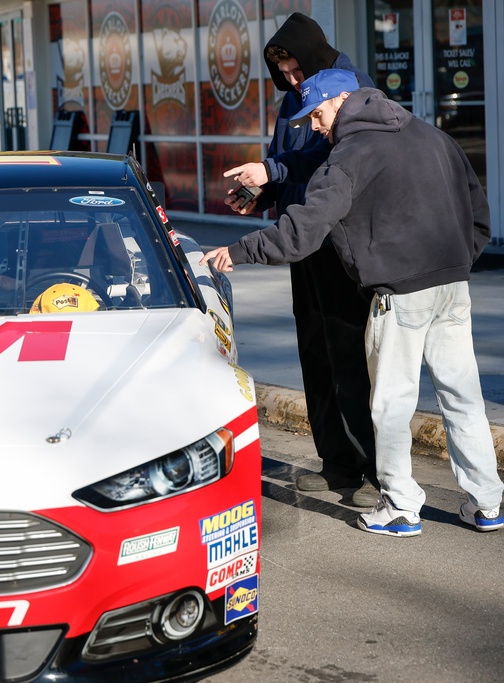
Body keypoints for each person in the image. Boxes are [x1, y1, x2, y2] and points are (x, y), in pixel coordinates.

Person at [200, 69, 504, 537]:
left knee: (390, 403)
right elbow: (477, 209)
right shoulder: (431, 135)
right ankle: (487, 503)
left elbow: (302, 231)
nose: (316, 126)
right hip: (452, 286)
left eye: (318, 114)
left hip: (400, 294)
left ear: (342, 100)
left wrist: (238, 251)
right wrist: (459, 261)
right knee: (462, 396)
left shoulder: (350, 155)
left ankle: (401, 508)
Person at [223, 13, 379, 508]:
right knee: (315, 355)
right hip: (301, 243)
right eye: (284, 74)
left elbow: (326, 160)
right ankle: (336, 463)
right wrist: (261, 193)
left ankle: (374, 470)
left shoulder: (351, 92)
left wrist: (272, 169)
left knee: (351, 359)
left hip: (340, 244)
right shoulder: (291, 102)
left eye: (296, 71)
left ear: (314, 57)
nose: (292, 82)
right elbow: (286, 167)